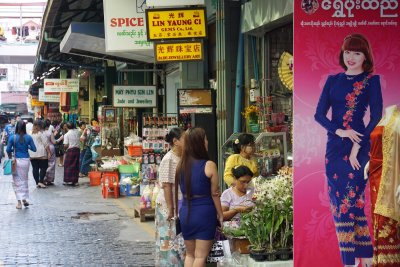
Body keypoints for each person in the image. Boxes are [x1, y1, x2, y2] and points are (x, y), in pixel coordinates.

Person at [314, 33, 383, 267]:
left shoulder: (371, 81)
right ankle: (362, 259)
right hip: (334, 148)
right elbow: (319, 114)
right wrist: (340, 131)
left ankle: (351, 262)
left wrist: (357, 147)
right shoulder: (333, 81)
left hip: (359, 148)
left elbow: (376, 116)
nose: (351, 57)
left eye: (356, 52)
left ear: (365, 56)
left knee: (352, 202)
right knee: (341, 203)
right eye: (347, 52)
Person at [175, 127, 224, 267]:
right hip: (204, 213)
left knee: (190, 255)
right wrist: (220, 215)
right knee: (201, 256)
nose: (207, 142)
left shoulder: (181, 164)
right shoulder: (209, 165)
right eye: (206, 139)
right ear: (200, 143)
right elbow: (215, 194)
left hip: (186, 212)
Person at [365, 105, 400, 266]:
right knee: (376, 221)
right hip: (374, 175)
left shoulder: (398, 120)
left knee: (387, 220)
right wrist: (368, 163)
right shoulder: (382, 119)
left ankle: (391, 262)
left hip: (389, 178)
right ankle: (379, 261)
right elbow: (377, 148)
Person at [155, 127, 185, 267]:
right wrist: (171, 208)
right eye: (184, 138)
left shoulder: (182, 156)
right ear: (176, 141)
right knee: (168, 237)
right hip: (168, 205)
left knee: (177, 238)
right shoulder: (169, 159)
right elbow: (166, 185)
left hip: (179, 202)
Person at [6, 121, 36, 209]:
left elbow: (8, 149)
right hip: (26, 161)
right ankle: (24, 199)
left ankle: (19, 202)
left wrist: (12, 151)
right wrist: (27, 147)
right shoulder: (28, 137)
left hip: (16, 161)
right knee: (25, 180)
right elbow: (34, 149)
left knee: (16, 181)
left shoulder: (12, 137)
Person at [29, 120, 51, 188]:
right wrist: (49, 152)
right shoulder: (41, 133)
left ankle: (37, 182)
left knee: (35, 168)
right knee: (43, 167)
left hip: (32, 153)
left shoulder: (30, 133)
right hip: (42, 153)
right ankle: (40, 181)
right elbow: (46, 144)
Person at [43, 120, 56, 185]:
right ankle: (49, 179)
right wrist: (60, 139)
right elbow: (54, 142)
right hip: (50, 148)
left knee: (44, 163)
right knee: (51, 163)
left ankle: (43, 178)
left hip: (43, 148)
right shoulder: (50, 133)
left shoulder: (41, 133)